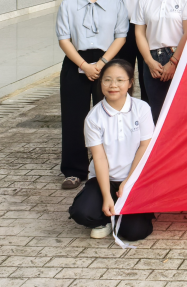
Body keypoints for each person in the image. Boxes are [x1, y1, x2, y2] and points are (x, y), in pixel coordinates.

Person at [56, 0, 129, 190]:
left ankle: (107, 168)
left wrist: (102, 63)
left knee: (109, 117)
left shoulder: (117, 3)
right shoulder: (68, 4)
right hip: (76, 61)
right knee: (74, 118)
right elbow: (64, 39)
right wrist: (84, 65)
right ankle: (74, 171)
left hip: (107, 63)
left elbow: (121, 36)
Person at [68, 58, 155, 242]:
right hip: (104, 180)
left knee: (133, 232)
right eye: (107, 80)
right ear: (101, 82)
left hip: (135, 179)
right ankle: (106, 217)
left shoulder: (142, 109)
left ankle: (125, 213)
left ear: (130, 83)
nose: (113, 85)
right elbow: (98, 157)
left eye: (120, 80)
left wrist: (128, 181)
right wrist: (107, 195)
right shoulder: (94, 117)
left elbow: (145, 146)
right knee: (81, 212)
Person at [133, 0, 187, 122]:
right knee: (156, 111)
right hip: (152, 60)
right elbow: (139, 33)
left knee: (180, 111)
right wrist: (149, 61)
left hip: (178, 57)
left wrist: (174, 62)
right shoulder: (145, 0)